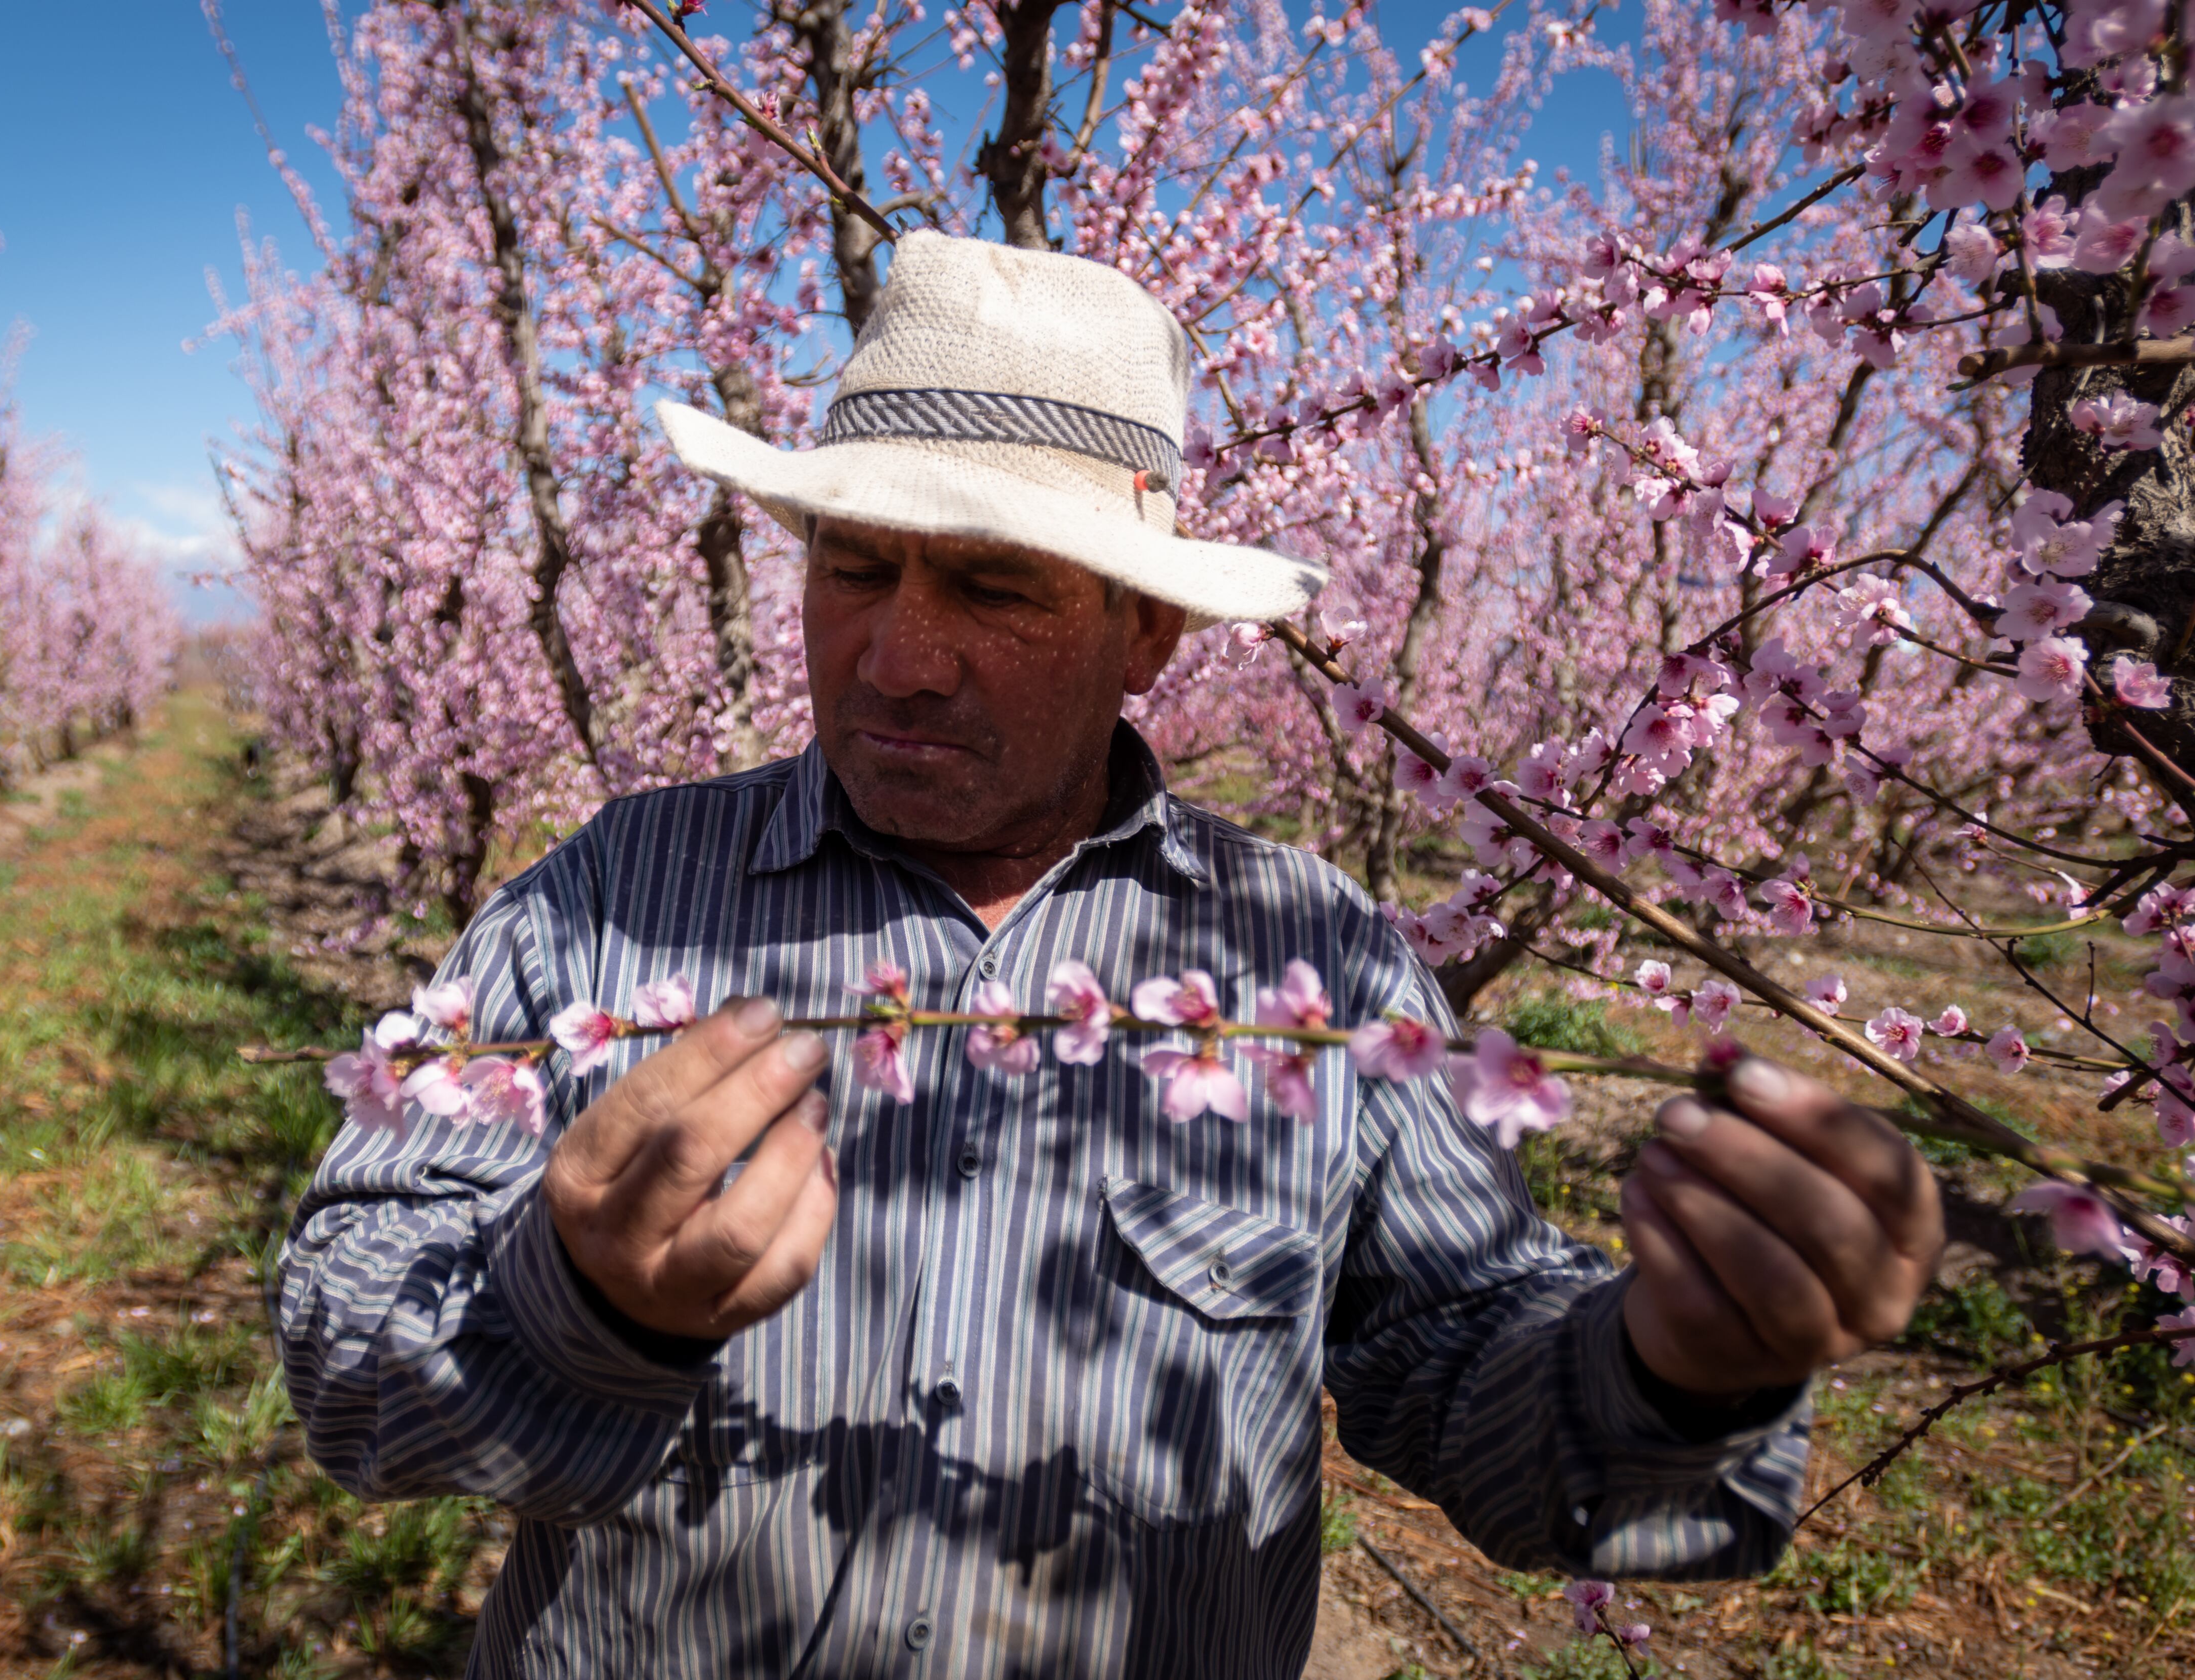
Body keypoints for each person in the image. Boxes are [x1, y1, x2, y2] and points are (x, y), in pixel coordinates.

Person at [277, 231, 1944, 1678]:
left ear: (1148, 629)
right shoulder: (610, 897)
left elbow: (1461, 1367)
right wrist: (578, 1309)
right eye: (853, 569)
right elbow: (347, 1351)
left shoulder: (1309, 962)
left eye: (996, 588)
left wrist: (1674, 1367)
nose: (900, 656)